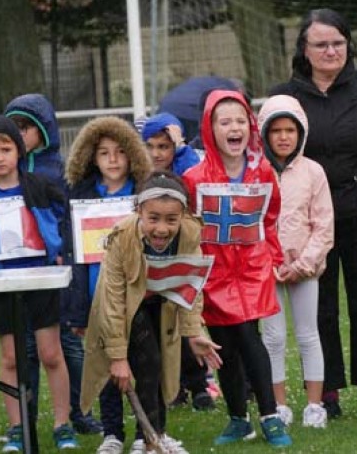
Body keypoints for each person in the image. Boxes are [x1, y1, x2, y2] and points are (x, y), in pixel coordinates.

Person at [269, 8, 357, 418]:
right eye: (321, 44)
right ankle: (325, 395)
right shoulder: (286, 96)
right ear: (305, 50)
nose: (331, 51)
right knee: (319, 308)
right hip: (310, 224)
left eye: (338, 43)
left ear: (348, 46)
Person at [79, 171, 222, 454]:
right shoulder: (122, 237)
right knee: (113, 370)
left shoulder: (190, 234)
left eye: (171, 219)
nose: (161, 228)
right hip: (116, 308)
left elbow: (190, 288)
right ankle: (112, 435)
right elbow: (113, 302)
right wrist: (118, 356)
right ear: (138, 212)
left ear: (183, 215)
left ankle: (150, 437)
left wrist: (193, 332)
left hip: (158, 305)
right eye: (153, 218)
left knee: (155, 366)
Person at [182, 89, 292, 447]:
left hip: (251, 268)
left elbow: (270, 217)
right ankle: (238, 419)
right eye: (224, 121)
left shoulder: (262, 172)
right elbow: (189, 227)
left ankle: (270, 416)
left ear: (251, 126)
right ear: (210, 128)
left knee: (250, 338)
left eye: (240, 120)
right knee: (223, 347)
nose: (233, 128)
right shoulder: (195, 177)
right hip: (213, 273)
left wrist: (273, 256)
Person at [0, 116, 78, 451]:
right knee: (10, 358)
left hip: (41, 279)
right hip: (0, 282)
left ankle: (63, 423)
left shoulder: (40, 186)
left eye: (5, 149)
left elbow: (64, 221)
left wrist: (60, 253)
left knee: (50, 353)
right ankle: (17, 428)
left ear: (18, 150)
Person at [5, 93, 103, 435]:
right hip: (22, 271)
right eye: (13, 128)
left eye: (26, 128)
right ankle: (26, 419)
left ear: (43, 130)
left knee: (67, 344)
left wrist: (66, 255)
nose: (19, 136)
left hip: (58, 272)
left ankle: (80, 411)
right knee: (26, 348)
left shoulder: (61, 171)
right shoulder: (7, 172)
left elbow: (72, 218)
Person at [63, 115, 153, 454]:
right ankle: (112, 433)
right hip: (94, 295)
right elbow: (73, 255)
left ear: (132, 153)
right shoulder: (79, 196)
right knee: (104, 368)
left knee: (143, 366)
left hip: (139, 296)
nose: (112, 160)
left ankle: (146, 433)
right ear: (90, 156)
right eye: (103, 153)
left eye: (119, 151)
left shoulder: (143, 194)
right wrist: (76, 312)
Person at [257, 95, 334, 428]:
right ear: (264, 134)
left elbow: (324, 225)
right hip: (264, 269)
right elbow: (252, 222)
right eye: (276, 130)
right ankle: (279, 404)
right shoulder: (255, 172)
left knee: (308, 334)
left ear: (301, 132)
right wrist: (271, 263)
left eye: (290, 129)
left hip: (305, 269)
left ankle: (315, 405)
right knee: (272, 338)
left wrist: (302, 263)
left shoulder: (313, 171)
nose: (284, 137)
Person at [141, 112, 215, 412]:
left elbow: (194, 174)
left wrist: (182, 148)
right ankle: (172, 387)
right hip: (151, 255)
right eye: (151, 146)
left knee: (185, 315)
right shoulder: (141, 173)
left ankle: (199, 383)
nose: (157, 153)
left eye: (164, 146)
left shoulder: (185, 166)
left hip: (182, 251)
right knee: (156, 324)